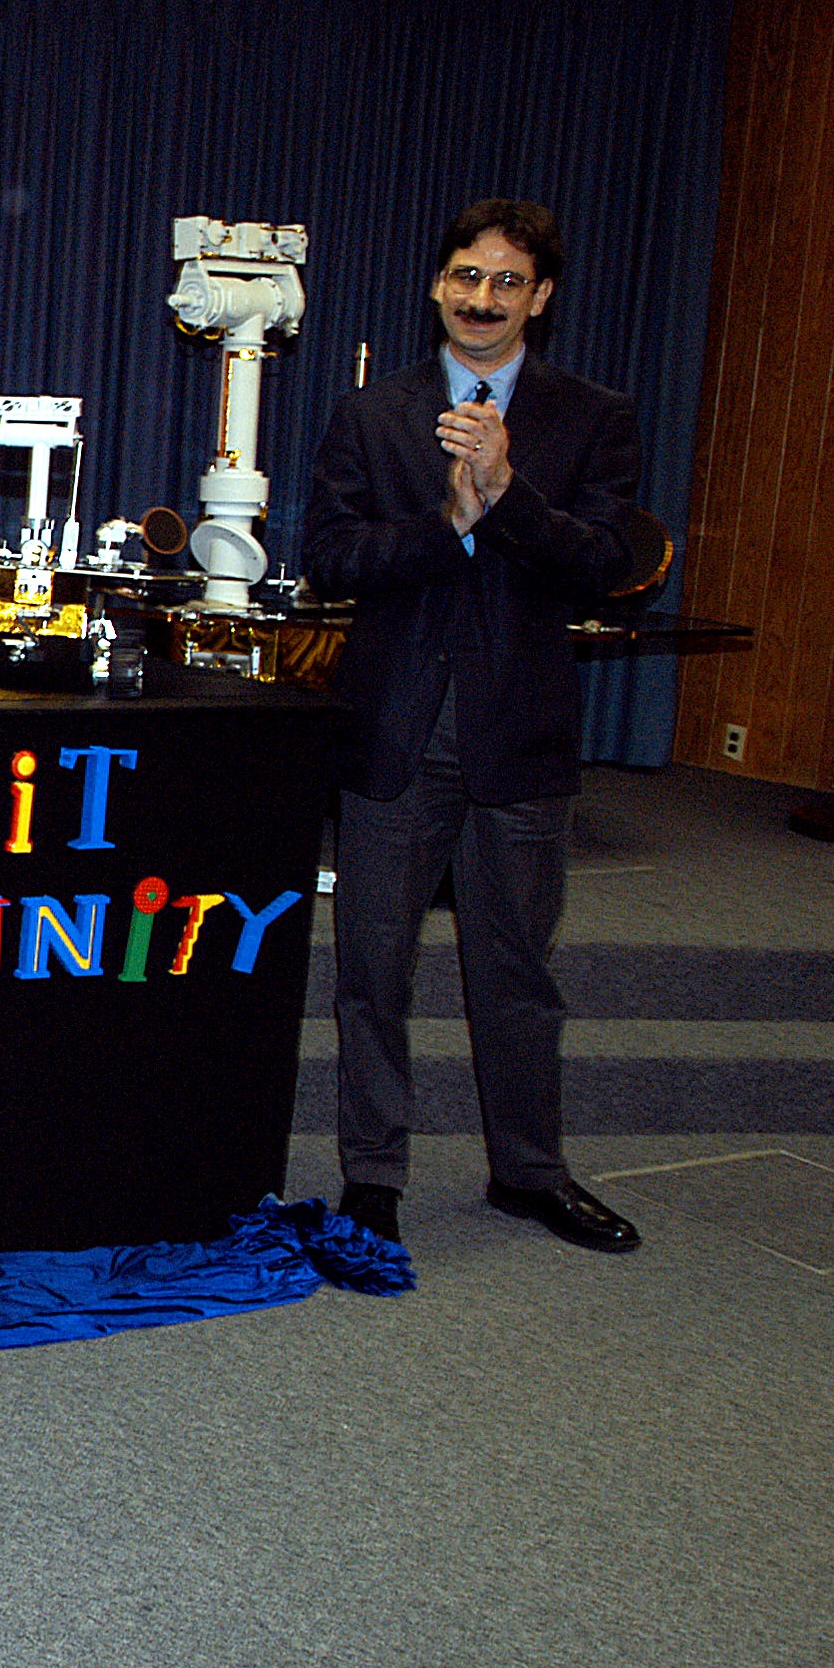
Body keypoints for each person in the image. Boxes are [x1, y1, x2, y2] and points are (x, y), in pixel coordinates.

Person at [302, 199, 643, 1256]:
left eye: (504, 282)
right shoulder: (374, 413)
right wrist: (445, 522)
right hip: (395, 733)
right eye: (463, 277)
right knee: (373, 968)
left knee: (516, 970)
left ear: (539, 297)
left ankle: (530, 1174)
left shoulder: (594, 418)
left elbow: (606, 565)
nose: (479, 300)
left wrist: (504, 493)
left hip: (520, 738)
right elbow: (331, 558)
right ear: (437, 285)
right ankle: (372, 1178)